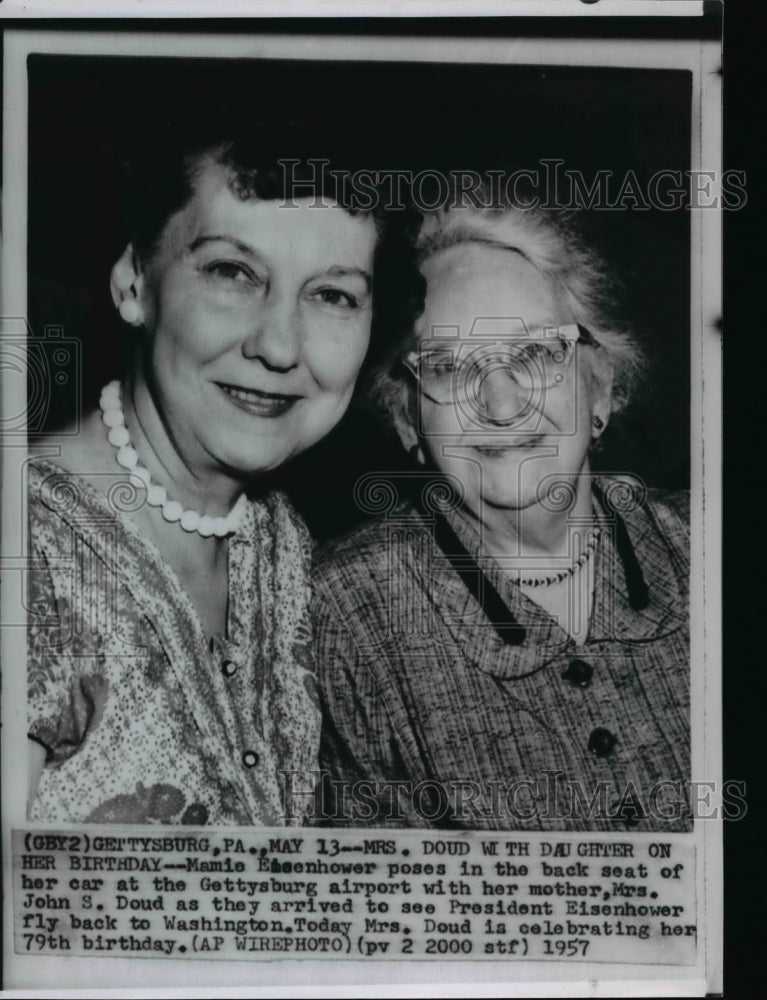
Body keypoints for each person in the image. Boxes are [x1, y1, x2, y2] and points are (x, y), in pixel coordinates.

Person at [26, 134, 417, 826]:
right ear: (133, 283)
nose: (277, 345)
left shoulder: (282, 543)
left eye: (331, 294)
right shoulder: (25, 551)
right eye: (232, 273)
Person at [313, 194, 691, 831]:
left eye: (536, 354)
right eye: (450, 366)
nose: (501, 403)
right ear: (409, 417)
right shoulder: (346, 616)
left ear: (600, 388)